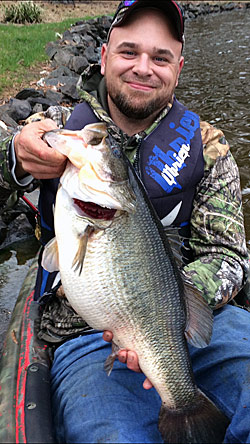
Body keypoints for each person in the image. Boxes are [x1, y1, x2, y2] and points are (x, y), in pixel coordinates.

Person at [0, 0, 250, 442]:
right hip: (83, 335)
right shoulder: (58, 126)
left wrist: (165, 313)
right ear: (103, 56)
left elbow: (228, 256)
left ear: (179, 67)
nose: (143, 67)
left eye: (160, 57)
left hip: (203, 321)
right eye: (129, 52)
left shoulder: (208, 146)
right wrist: (15, 159)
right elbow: (10, 166)